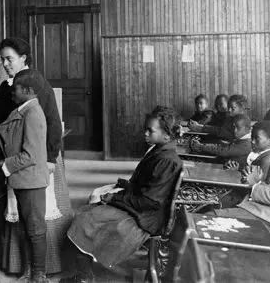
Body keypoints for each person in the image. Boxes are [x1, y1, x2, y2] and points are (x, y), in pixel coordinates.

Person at [0, 37, 71, 276]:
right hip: (16, 161)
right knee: (20, 216)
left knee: (38, 218)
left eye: (10, 59)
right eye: (3, 59)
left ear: (24, 58)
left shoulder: (36, 84)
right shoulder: (5, 88)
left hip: (37, 160)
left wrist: (50, 158)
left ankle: (43, 269)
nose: (6, 64)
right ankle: (21, 265)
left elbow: (52, 123)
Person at [61, 106, 182, 283]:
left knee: (84, 219)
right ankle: (84, 273)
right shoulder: (160, 152)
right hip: (141, 207)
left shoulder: (166, 160)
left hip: (145, 217)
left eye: (150, 130)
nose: (145, 134)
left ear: (167, 135)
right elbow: (146, 188)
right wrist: (122, 187)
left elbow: (149, 201)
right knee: (87, 211)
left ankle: (84, 278)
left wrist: (114, 198)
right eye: (145, 129)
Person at [0, 69, 51, 283]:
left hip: (30, 180)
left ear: (29, 91)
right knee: (27, 227)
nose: (12, 91)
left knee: (36, 229)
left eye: (16, 88)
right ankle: (30, 271)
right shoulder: (24, 109)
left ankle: (38, 274)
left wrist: (5, 166)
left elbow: (29, 155)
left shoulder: (33, 113)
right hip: (24, 179)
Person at [214, 155, 270, 239]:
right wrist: (247, 173)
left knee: (207, 219)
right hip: (254, 205)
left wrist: (254, 184)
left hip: (267, 215)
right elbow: (269, 181)